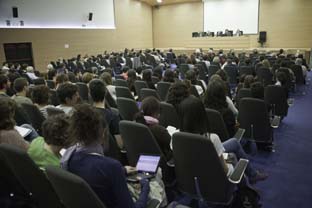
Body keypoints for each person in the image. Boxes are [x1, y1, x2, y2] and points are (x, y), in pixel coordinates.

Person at [61, 104, 150, 208]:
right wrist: (145, 188)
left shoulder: (68, 157)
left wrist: (122, 171)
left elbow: (93, 176)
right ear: (103, 133)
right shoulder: (111, 166)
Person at [179, 96, 268, 184]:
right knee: (232, 156)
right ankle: (246, 185)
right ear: (202, 114)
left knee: (233, 143)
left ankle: (250, 180)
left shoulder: (176, 137)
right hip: (213, 177)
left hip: (192, 178)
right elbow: (225, 171)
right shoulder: (212, 138)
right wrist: (231, 163)